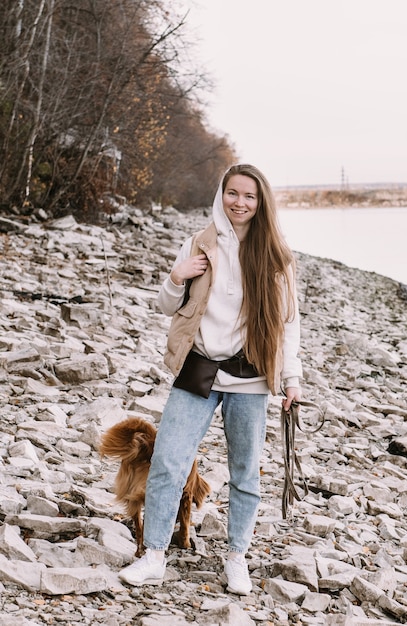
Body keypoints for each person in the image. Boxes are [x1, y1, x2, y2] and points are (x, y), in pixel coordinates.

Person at [119, 163, 302, 594]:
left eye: (249, 196)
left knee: (245, 473)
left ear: (261, 203)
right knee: (168, 461)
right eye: (232, 193)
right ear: (221, 195)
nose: (240, 202)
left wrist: (291, 379)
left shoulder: (276, 254)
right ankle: (154, 555)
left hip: (250, 374)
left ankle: (237, 557)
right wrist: (175, 277)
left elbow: (289, 323)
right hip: (198, 367)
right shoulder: (198, 244)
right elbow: (167, 305)